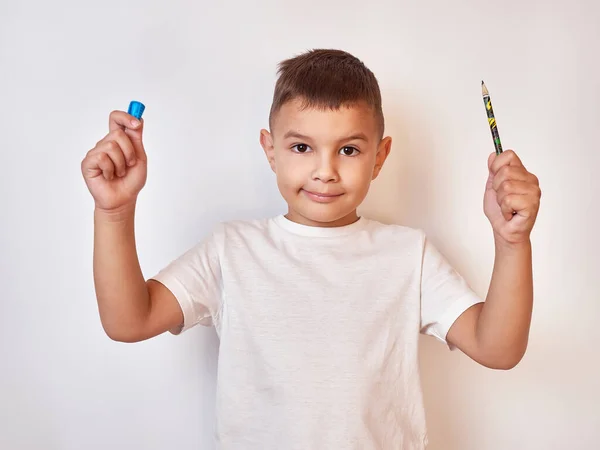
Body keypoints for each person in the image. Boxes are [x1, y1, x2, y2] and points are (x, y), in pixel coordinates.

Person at [80, 49, 541, 449]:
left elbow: (498, 349)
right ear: (270, 149)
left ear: (379, 157)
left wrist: (511, 241)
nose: (325, 171)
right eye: (302, 146)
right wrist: (115, 212)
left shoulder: (408, 256)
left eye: (349, 150)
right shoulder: (232, 250)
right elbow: (128, 321)